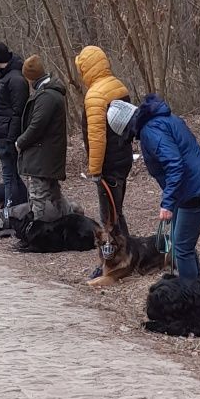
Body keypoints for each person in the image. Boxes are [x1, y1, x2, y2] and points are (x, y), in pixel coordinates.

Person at [107, 95, 200, 278]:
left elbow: (175, 165)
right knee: (179, 242)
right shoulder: (160, 120)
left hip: (197, 190)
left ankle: (193, 296)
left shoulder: (150, 131)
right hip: (195, 185)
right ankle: (199, 286)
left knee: (181, 248)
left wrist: (167, 203)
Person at [74, 44, 133, 282]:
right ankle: (128, 254)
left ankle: (112, 263)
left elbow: (97, 137)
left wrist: (95, 170)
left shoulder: (95, 96)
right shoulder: (119, 86)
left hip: (108, 164)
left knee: (108, 218)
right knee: (116, 212)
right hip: (123, 159)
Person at [15, 55, 69, 222]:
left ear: (30, 77)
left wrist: (20, 142)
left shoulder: (47, 96)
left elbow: (37, 126)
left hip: (42, 155)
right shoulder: (50, 93)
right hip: (48, 154)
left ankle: (34, 233)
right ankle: (71, 223)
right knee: (54, 195)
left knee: (37, 197)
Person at [0, 44, 30, 225]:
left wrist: (11, 139)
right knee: (12, 174)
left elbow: (17, 113)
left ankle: (9, 211)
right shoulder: (8, 77)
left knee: (8, 176)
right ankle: (23, 207)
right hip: (2, 134)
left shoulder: (16, 80)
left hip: (7, 137)